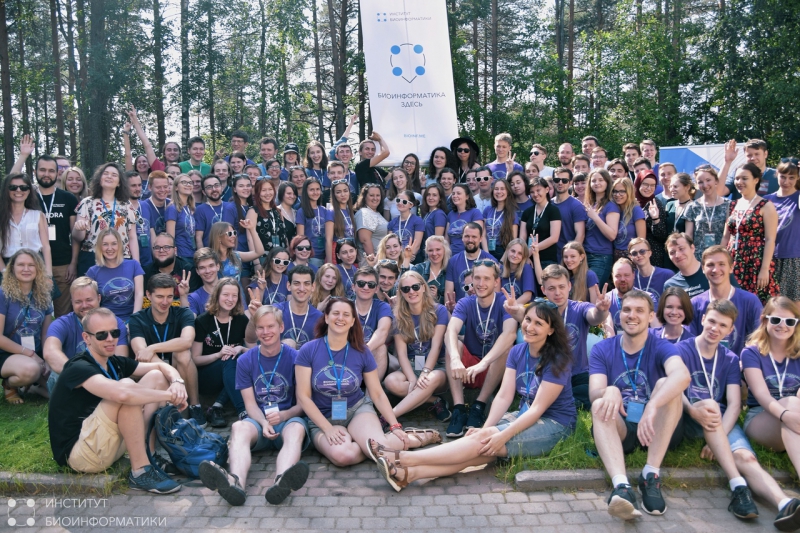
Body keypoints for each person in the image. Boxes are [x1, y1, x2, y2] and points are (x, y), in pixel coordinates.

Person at [371, 299, 577, 491]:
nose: (530, 327)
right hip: (525, 414)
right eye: (528, 319)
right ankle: (410, 474)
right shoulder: (518, 352)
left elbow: (538, 409)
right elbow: (504, 396)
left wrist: (502, 435)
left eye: (539, 323)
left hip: (554, 424)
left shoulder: (558, 359)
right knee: (483, 444)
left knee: (485, 442)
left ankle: (404, 459)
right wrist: (486, 429)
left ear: (551, 330)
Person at [48, 307, 184, 493]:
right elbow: (123, 394)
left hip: (104, 445)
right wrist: (170, 396)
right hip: (81, 455)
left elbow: (161, 367)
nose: (110, 339)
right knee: (126, 389)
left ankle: (149, 454)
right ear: (86, 338)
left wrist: (177, 382)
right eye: (102, 335)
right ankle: (140, 472)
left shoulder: (114, 361)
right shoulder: (78, 366)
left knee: (156, 377)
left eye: (115, 333)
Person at [295, 297, 439, 466]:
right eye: (335, 313)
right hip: (324, 416)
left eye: (346, 315)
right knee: (343, 456)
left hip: (357, 410)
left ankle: (414, 439)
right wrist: (327, 428)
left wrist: (394, 425)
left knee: (380, 447)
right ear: (326, 317)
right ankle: (375, 445)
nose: (340, 318)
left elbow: (377, 393)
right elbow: (303, 396)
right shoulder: (308, 350)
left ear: (352, 321)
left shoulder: (362, 351)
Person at [589, 289, 691, 520]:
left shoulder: (662, 346)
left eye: (639, 310)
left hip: (657, 427)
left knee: (666, 385)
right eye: (626, 309)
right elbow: (594, 393)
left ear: (651, 316)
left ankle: (650, 475)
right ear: (619, 314)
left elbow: (682, 376)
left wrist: (653, 405)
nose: (632, 315)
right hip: (623, 427)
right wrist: (610, 390)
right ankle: (622, 487)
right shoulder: (602, 349)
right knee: (599, 404)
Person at [199, 305, 310, 506]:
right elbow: (249, 404)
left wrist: (283, 416)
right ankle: (235, 483)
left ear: (281, 327)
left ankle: (281, 481)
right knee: (238, 427)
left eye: (270, 326)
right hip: (258, 420)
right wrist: (263, 422)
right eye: (260, 327)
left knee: (297, 429)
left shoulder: (296, 357)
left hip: (288, 418)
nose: (265, 332)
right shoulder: (245, 360)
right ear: (255, 330)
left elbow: (303, 403)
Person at [675, 298, 768, 522]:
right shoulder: (681, 350)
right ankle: (738, 486)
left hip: (719, 421)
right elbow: (673, 389)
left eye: (723, 325)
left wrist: (719, 438)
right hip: (688, 417)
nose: (715, 328)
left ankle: (784, 503)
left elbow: (735, 404)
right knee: (711, 405)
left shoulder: (730, 358)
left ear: (730, 330)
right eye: (712, 321)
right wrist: (692, 411)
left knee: (747, 457)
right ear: (703, 319)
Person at [509, 264, 609, 410]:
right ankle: (558, 401)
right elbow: (523, 316)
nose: (558, 293)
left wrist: (601, 311)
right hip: (547, 373)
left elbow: (594, 317)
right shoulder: (538, 310)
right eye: (551, 288)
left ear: (569, 286)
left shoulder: (580, 308)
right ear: (543, 290)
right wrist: (513, 310)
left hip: (576, 374)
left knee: (590, 390)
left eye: (561, 287)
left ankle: (557, 401)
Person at [741, 297, 800, 530]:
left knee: (795, 403)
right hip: (761, 419)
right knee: (791, 403)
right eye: (776, 320)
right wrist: (787, 414)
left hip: (795, 417)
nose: (782, 325)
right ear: (765, 320)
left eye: (789, 321)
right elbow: (762, 396)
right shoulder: (751, 352)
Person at [445, 261, 517, 437]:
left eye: (486, 278)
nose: (481, 283)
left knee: (507, 348)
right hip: (468, 369)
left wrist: (485, 362)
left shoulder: (504, 302)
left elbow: (510, 334)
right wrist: (455, 358)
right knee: (453, 346)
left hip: (494, 367)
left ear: (496, 281)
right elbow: (451, 330)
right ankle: (459, 409)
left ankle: (479, 405)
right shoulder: (465, 302)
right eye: (477, 278)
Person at [129, 274, 204, 426]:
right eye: (159, 297)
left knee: (183, 353)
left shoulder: (183, 313)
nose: (165, 302)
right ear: (148, 295)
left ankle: (194, 406)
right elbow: (141, 352)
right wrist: (171, 373)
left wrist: (153, 348)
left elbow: (186, 341)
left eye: (169, 296)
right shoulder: (137, 319)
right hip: (154, 371)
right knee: (149, 360)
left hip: (180, 368)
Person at [382, 270, 450, 418]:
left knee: (431, 379)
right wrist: (412, 378)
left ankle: (390, 417)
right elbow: (402, 354)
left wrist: (425, 372)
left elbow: (437, 347)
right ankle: (434, 400)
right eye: (406, 289)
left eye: (415, 287)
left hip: (437, 366)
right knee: (390, 382)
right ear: (401, 293)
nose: (411, 292)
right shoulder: (398, 316)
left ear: (423, 287)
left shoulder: (439, 310)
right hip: (413, 365)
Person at [43, 277, 128, 394]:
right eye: (78, 302)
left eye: (89, 300)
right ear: (72, 302)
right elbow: (50, 352)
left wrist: (98, 380)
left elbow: (120, 358)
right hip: (74, 379)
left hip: (105, 379)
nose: (84, 305)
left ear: (99, 298)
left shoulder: (115, 323)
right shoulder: (62, 323)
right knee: (56, 376)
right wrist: (82, 376)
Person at [192, 278, 248, 427]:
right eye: (226, 295)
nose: (230, 299)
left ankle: (217, 406)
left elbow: (253, 353)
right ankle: (243, 411)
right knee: (229, 358)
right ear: (217, 295)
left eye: (234, 295)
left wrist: (241, 348)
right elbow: (195, 359)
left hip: (232, 373)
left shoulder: (242, 319)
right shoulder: (203, 320)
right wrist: (218, 355)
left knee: (238, 357)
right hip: (208, 376)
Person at [721, 163, 781, 303]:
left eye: (744, 178)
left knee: (756, 304)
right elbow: (726, 237)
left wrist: (764, 269)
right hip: (733, 260)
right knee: (731, 302)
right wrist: (720, 260)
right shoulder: (732, 205)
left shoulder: (766, 205)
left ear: (756, 180)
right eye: (737, 178)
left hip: (755, 262)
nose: (739, 182)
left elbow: (770, 240)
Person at [0, 249, 54, 403]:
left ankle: (32, 388)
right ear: (12, 268)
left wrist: (48, 359)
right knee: (30, 370)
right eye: (21, 265)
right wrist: (30, 354)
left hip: (35, 353)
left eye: (31, 265)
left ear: (38, 268)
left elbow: (45, 335)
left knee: (57, 390)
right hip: (6, 353)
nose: (26, 269)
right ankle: (9, 384)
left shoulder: (44, 295)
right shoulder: (3, 294)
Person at [689, 246, 763, 355]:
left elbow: (760, 338)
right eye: (710, 265)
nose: (715, 270)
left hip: (740, 363)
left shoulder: (750, 301)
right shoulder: (695, 303)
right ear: (703, 269)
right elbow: (690, 343)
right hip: (703, 363)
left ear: (731, 267)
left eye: (721, 264)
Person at [73, 163, 139, 276]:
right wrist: (78, 228)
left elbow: (132, 237)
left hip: (121, 258)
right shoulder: (87, 203)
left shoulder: (127, 205)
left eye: (114, 175)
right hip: (92, 258)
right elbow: (78, 237)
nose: (109, 176)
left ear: (119, 182)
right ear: (99, 179)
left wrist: (136, 264)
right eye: (106, 173)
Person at [86, 229, 144, 323]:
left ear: (119, 245)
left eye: (114, 244)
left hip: (132, 318)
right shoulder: (93, 272)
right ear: (100, 247)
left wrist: (134, 320)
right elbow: (91, 302)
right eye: (105, 244)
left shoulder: (134, 265)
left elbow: (139, 294)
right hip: (106, 321)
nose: (110, 248)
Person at [0, 173, 52, 277]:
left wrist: (48, 273)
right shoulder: (1, 217)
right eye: (13, 187)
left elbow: (46, 247)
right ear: (6, 190)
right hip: (8, 266)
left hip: (36, 265)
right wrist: (4, 272)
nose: (18, 190)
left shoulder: (38, 215)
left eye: (23, 187)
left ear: (29, 191)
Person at [763, 159, 800, 300]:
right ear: (777, 174)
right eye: (783, 177)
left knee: (794, 304)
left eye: (792, 177)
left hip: (793, 258)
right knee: (772, 303)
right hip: (770, 258)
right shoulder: (766, 200)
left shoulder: (798, 197)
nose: (786, 181)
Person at [663, 233, 738, 298]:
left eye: (681, 249)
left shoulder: (716, 272)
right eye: (672, 252)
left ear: (692, 248)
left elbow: (738, 298)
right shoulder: (671, 285)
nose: (678, 255)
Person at [444, 222, 498, 308]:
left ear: (480, 238)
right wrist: (451, 312)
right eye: (467, 236)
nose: (470, 240)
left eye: (474, 237)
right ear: (462, 238)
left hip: (484, 310)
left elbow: (496, 292)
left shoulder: (491, 261)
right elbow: (448, 293)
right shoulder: (453, 261)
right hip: (460, 309)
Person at [270, 265, 322, 349]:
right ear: (288, 286)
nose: (301, 288)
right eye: (297, 283)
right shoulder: (275, 311)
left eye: (306, 284)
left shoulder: (319, 318)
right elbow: (252, 339)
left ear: (313, 287)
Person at [685, 165, 730, 262]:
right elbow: (689, 235)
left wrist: (719, 255)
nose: (705, 185)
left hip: (722, 257)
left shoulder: (728, 205)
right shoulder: (692, 207)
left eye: (708, 180)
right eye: (700, 182)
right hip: (699, 258)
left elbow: (728, 235)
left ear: (716, 181)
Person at [583, 168, 620, 284]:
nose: (597, 183)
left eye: (601, 180)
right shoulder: (591, 204)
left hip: (601, 257)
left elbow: (612, 235)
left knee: (592, 291)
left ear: (607, 182)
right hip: (585, 255)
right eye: (593, 181)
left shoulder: (611, 206)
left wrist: (595, 217)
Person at [144, 232, 201, 305]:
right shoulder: (146, 272)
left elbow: (193, 303)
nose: (161, 251)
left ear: (175, 250)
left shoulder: (188, 270)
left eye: (166, 247)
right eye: (157, 247)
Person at [521, 177, 561, 267]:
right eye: (532, 192)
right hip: (528, 259)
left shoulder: (553, 210)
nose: (535, 194)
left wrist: (531, 251)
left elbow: (554, 238)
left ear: (547, 189)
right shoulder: (527, 212)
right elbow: (522, 237)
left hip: (547, 260)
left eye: (538, 190)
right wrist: (525, 256)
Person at [634, 170, 667, 268]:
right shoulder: (630, 201)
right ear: (638, 183)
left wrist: (655, 219)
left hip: (652, 255)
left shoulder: (656, 203)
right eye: (645, 184)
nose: (649, 188)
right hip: (631, 251)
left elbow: (662, 236)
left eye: (653, 185)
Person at [551, 167, 587, 259]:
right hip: (549, 256)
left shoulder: (576, 205)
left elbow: (580, 235)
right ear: (553, 182)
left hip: (567, 258)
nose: (560, 183)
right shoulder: (548, 204)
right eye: (557, 180)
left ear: (570, 183)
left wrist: (570, 257)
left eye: (564, 180)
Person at [248, 178, 289, 258]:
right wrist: (256, 262)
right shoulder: (253, 211)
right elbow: (250, 239)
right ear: (257, 192)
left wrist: (288, 256)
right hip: (263, 257)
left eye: (270, 189)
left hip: (281, 258)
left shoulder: (278, 211)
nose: (267, 193)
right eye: (263, 190)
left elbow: (285, 236)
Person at [627, 238, 674, 307]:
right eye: (634, 253)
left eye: (642, 251)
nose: (639, 255)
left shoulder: (667, 275)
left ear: (650, 253)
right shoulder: (630, 278)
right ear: (630, 257)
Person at [195, 175, 237, 248]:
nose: (214, 189)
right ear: (204, 192)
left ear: (221, 187)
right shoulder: (200, 210)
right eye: (209, 187)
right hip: (211, 252)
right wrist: (203, 254)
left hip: (230, 251)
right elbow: (198, 238)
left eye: (216, 185)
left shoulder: (231, 207)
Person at [164, 173, 196, 264]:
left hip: (192, 253)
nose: (188, 185)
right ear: (176, 187)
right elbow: (170, 237)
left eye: (190, 183)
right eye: (184, 182)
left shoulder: (191, 208)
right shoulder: (172, 208)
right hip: (181, 256)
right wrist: (174, 257)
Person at [407, 235, 449, 305]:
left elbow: (451, 300)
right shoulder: (418, 269)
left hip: (440, 310)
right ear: (426, 252)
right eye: (430, 250)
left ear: (444, 250)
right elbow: (404, 286)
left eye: (438, 249)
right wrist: (406, 259)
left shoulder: (449, 271)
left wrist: (437, 297)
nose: (434, 253)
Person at [611, 178, 646, 260]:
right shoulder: (613, 210)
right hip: (615, 256)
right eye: (615, 191)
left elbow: (641, 240)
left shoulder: (636, 210)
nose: (617, 194)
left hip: (631, 256)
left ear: (629, 192)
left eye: (622, 191)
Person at [296, 178, 327, 267]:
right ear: (306, 192)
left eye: (317, 189)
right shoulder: (301, 211)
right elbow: (300, 237)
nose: (315, 192)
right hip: (311, 255)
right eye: (312, 190)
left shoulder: (324, 210)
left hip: (326, 255)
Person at [604, 258, 640, 336]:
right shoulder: (606, 300)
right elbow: (608, 329)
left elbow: (655, 327)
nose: (622, 279)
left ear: (633, 275)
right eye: (618, 276)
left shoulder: (646, 298)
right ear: (612, 276)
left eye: (626, 275)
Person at [445, 184, 484, 256]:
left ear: (467, 196)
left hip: (468, 255)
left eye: (458, 193)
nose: (455, 196)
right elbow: (446, 239)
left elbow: (477, 238)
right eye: (453, 193)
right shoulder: (450, 214)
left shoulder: (475, 213)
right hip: (451, 256)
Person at [387, 191, 424, 261]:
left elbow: (417, 245)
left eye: (404, 202)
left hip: (413, 260)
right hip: (396, 259)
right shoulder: (392, 222)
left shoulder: (417, 221)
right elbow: (389, 243)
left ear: (411, 205)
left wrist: (408, 258)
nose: (400, 203)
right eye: (398, 200)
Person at [325, 180, 356, 264]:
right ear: (334, 194)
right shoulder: (331, 212)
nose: (343, 194)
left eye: (345, 191)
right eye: (338, 192)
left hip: (350, 251)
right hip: (337, 252)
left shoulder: (350, 211)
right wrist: (330, 262)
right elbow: (328, 240)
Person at [183, 248, 221, 315]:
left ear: (218, 266)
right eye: (202, 268)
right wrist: (183, 295)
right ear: (197, 271)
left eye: (211, 266)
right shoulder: (194, 298)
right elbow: (189, 319)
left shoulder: (231, 290)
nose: (207, 271)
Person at [500, 239, 535, 305]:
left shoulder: (526, 268)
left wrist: (511, 307)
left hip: (522, 308)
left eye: (520, 253)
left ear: (523, 256)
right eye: (513, 251)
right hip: (504, 307)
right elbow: (496, 294)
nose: (515, 255)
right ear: (507, 251)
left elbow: (527, 296)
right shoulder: (501, 269)